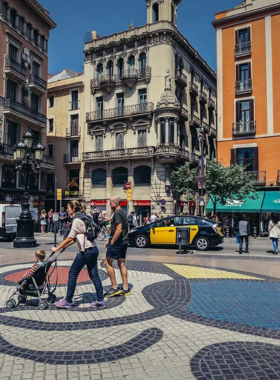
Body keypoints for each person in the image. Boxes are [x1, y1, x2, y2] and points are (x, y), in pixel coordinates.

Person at [52, 201, 105, 309]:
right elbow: (76, 237)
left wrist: (58, 248)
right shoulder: (84, 217)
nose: (67, 210)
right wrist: (65, 246)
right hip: (94, 249)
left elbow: (70, 237)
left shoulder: (76, 220)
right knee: (94, 275)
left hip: (85, 251)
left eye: (68, 207)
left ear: (73, 209)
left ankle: (68, 300)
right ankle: (100, 300)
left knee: (72, 273)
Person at [104, 196, 130, 297]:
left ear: (116, 203)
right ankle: (126, 288)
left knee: (107, 263)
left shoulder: (118, 213)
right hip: (124, 242)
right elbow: (118, 228)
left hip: (117, 243)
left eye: (110, 203)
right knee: (121, 263)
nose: (110, 205)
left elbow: (118, 230)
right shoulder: (122, 213)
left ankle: (114, 288)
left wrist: (112, 242)